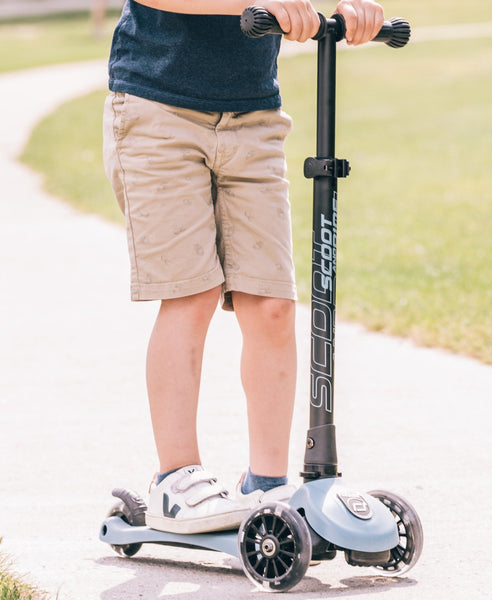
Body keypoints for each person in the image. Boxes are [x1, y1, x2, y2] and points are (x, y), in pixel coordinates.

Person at [103, 0, 384, 534]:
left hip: (253, 115)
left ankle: (266, 483)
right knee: (192, 292)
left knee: (272, 305)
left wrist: (351, 6)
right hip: (157, 109)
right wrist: (259, 4)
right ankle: (175, 480)